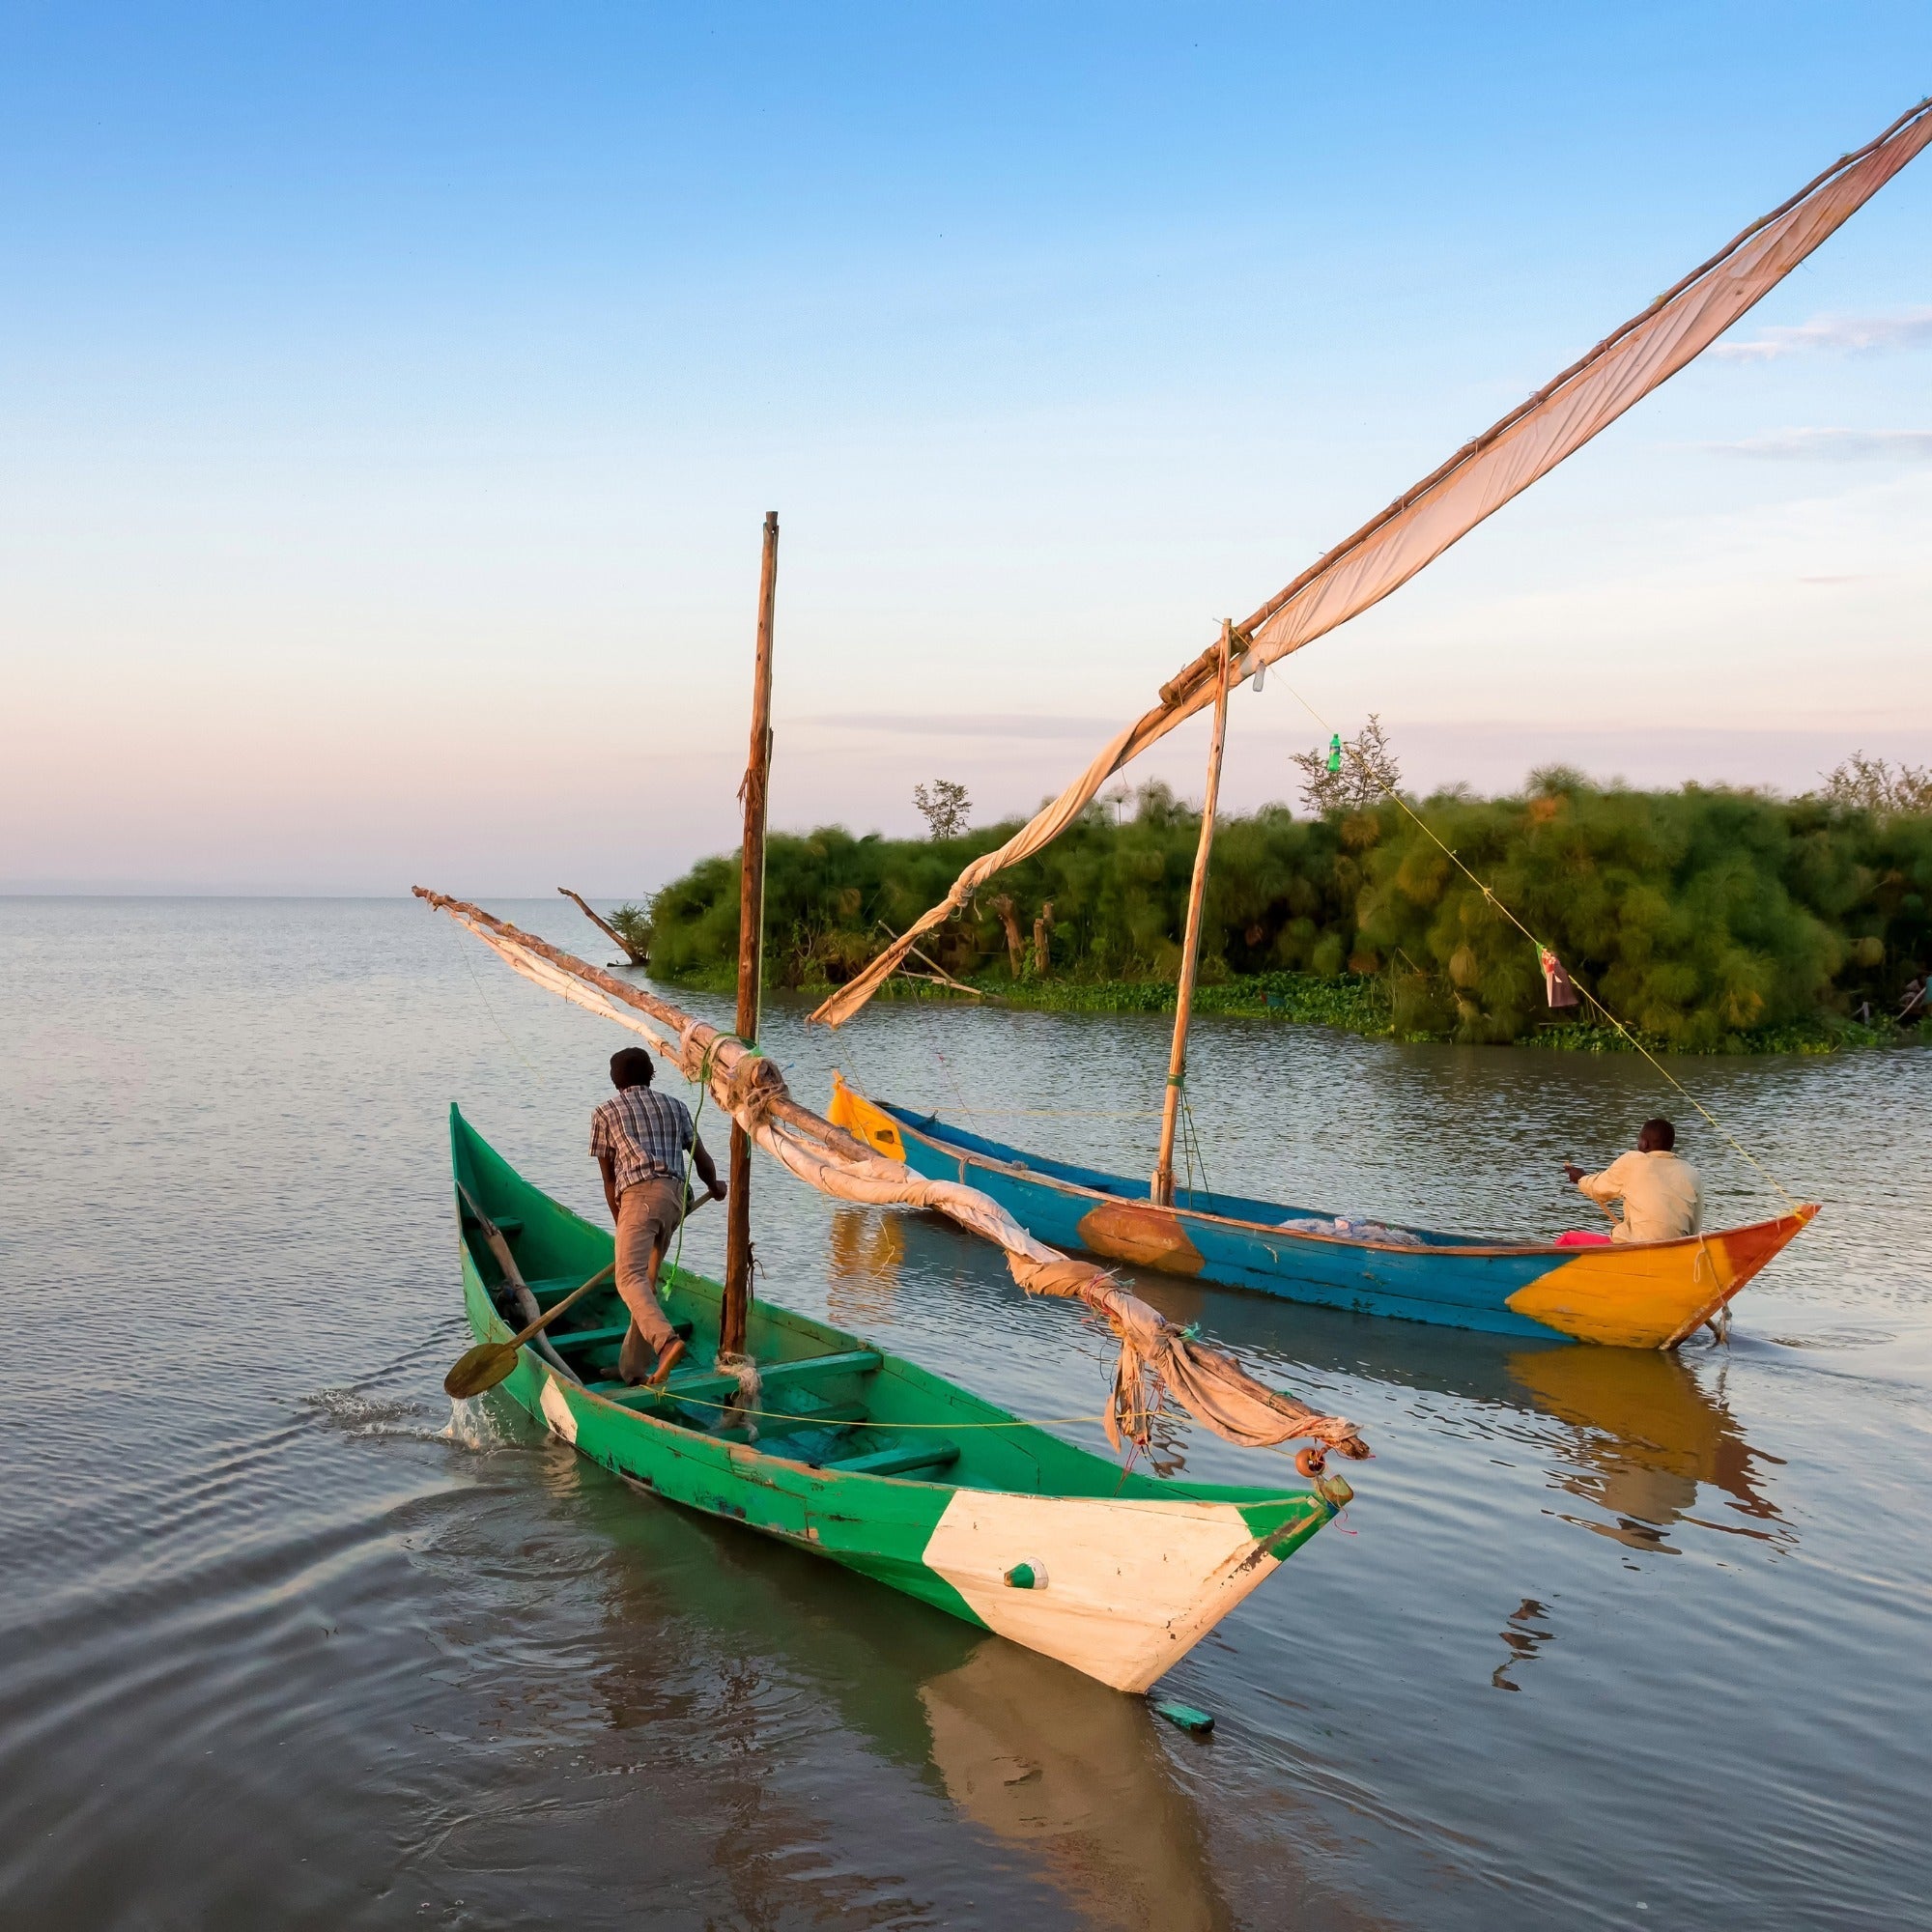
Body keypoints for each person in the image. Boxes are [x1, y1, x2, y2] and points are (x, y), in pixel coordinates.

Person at [591, 1047, 724, 1385]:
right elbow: (701, 1157)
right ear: (651, 1074)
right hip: (675, 1199)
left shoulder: (605, 1112)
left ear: (614, 1079)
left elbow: (610, 1180)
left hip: (640, 1197)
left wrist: (620, 1220)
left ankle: (666, 1343)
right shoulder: (675, 1106)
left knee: (627, 1278)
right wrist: (715, 1185)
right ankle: (633, 1370)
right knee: (644, 1283)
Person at [1563, 1118, 1702, 1244]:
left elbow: (1598, 1188)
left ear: (1644, 1143)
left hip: (1636, 1246)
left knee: (1567, 1239)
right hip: (1678, 1248)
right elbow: (1696, 1226)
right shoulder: (1691, 1172)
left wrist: (1581, 1178)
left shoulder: (1633, 1161)